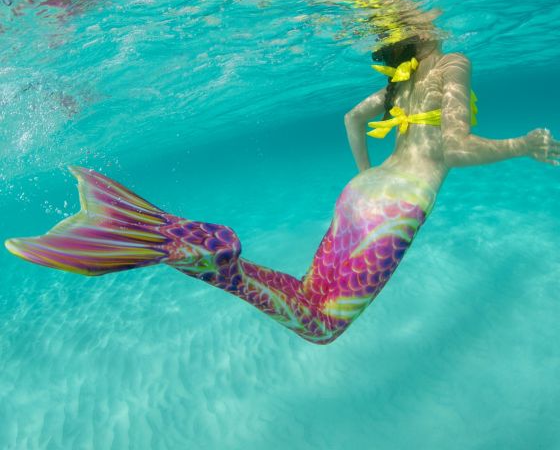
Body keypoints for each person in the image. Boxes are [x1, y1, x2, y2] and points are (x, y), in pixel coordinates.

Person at [5, 36, 559, 345]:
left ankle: (181, 239)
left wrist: (365, 173)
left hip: (366, 192)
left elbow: (352, 118)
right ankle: (197, 249)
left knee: (308, 295)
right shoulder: (451, 63)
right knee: (322, 325)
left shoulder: (399, 82)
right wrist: (523, 146)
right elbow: (451, 148)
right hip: (398, 205)